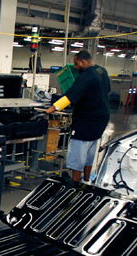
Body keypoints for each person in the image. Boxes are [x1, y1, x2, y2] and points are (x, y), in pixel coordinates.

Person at [45, 50, 110, 182]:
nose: (75, 67)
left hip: (86, 120)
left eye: (76, 63)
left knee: (78, 153)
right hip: (101, 118)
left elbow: (70, 95)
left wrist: (51, 109)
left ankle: (75, 184)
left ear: (83, 61)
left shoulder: (87, 75)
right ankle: (86, 180)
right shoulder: (102, 71)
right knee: (90, 152)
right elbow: (107, 90)